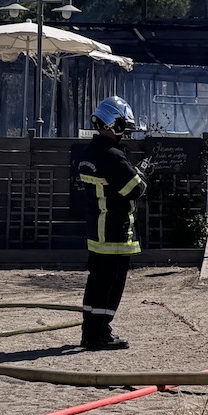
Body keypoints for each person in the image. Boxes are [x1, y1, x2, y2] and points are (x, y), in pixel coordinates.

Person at [75, 96, 147, 350]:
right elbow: (135, 189)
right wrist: (140, 176)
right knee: (111, 285)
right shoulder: (114, 156)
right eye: (121, 125)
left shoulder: (89, 154)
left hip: (96, 231)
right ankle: (100, 335)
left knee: (96, 282)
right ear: (110, 124)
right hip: (116, 232)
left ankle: (90, 331)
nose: (124, 131)